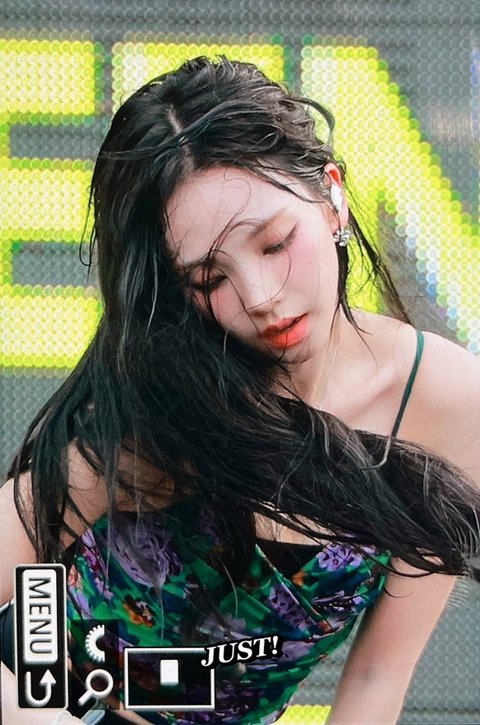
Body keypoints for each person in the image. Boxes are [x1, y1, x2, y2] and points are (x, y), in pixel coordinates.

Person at [1, 55, 480, 725]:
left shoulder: (446, 400)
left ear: (332, 197)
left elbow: (378, 674)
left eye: (275, 243)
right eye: (208, 279)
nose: (260, 297)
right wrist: (40, 705)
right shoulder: (176, 397)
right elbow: (26, 538)